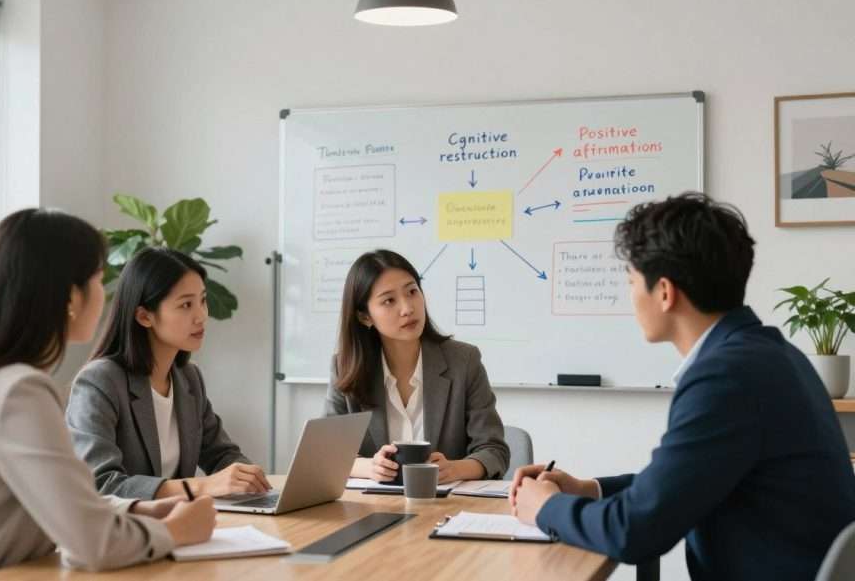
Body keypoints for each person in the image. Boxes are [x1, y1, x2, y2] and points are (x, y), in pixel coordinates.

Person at [511, 193, 855, 580]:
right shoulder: (769, 354)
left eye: (631, 282)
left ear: (664, 292)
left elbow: (635, 532)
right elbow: (688, 479)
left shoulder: (726, 377)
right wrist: (589, 489)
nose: (629, 297)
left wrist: (545, 509)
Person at [0, 209, 216, 579]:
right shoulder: (20, 391)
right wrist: (177, 531)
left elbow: (60, 498)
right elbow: (92, 545)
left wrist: (137, 510)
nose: (104, 294)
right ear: (69, 296)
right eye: (97, 279)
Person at [67, 247, 270, 499]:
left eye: (203, 300)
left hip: (181, 524)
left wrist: (250, 478)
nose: (202, 316)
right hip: (127, 531)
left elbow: (221, 455)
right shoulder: (100, 381)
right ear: (144, 316)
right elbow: (100, 483)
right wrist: (201, 486)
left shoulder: (189, 379)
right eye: (186, 304)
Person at [324, 249, 509, 483]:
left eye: (412, 291)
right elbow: (327, 454)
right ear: (364, 316)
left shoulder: (464, 361)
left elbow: (494, 450)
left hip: (447, 508)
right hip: (374, 508)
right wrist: (370, 467)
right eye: (389, 300)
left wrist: (454, 469)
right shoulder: (345, 368)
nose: (407, 308)